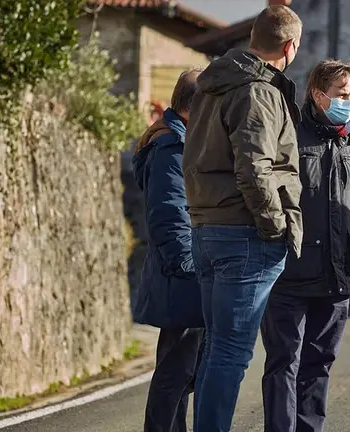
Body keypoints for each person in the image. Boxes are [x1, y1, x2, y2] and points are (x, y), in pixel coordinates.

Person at [182, 5, 304, 431]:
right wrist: (275, 227)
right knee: (230, 353)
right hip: (245, 234)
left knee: (219, 348)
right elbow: (255, 168)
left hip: (209, 227)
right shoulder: (259, 91)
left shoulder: (211, 85)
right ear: (290, 47)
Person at [261, 59, 350, 432]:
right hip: (290, 271)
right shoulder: (288, 135)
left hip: (338, 274)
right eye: (341, 94)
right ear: (318, 95)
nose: (349, 101)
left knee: (319, 363)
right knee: (283, 364)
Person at [132, 69, 205, 432]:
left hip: (184, 273)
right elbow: (169, 216)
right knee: (175, 374)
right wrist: (192, 270)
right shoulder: (171, 148)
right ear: (195, 106)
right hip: (183, 275)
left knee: (181, 374)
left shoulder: (180, 141)